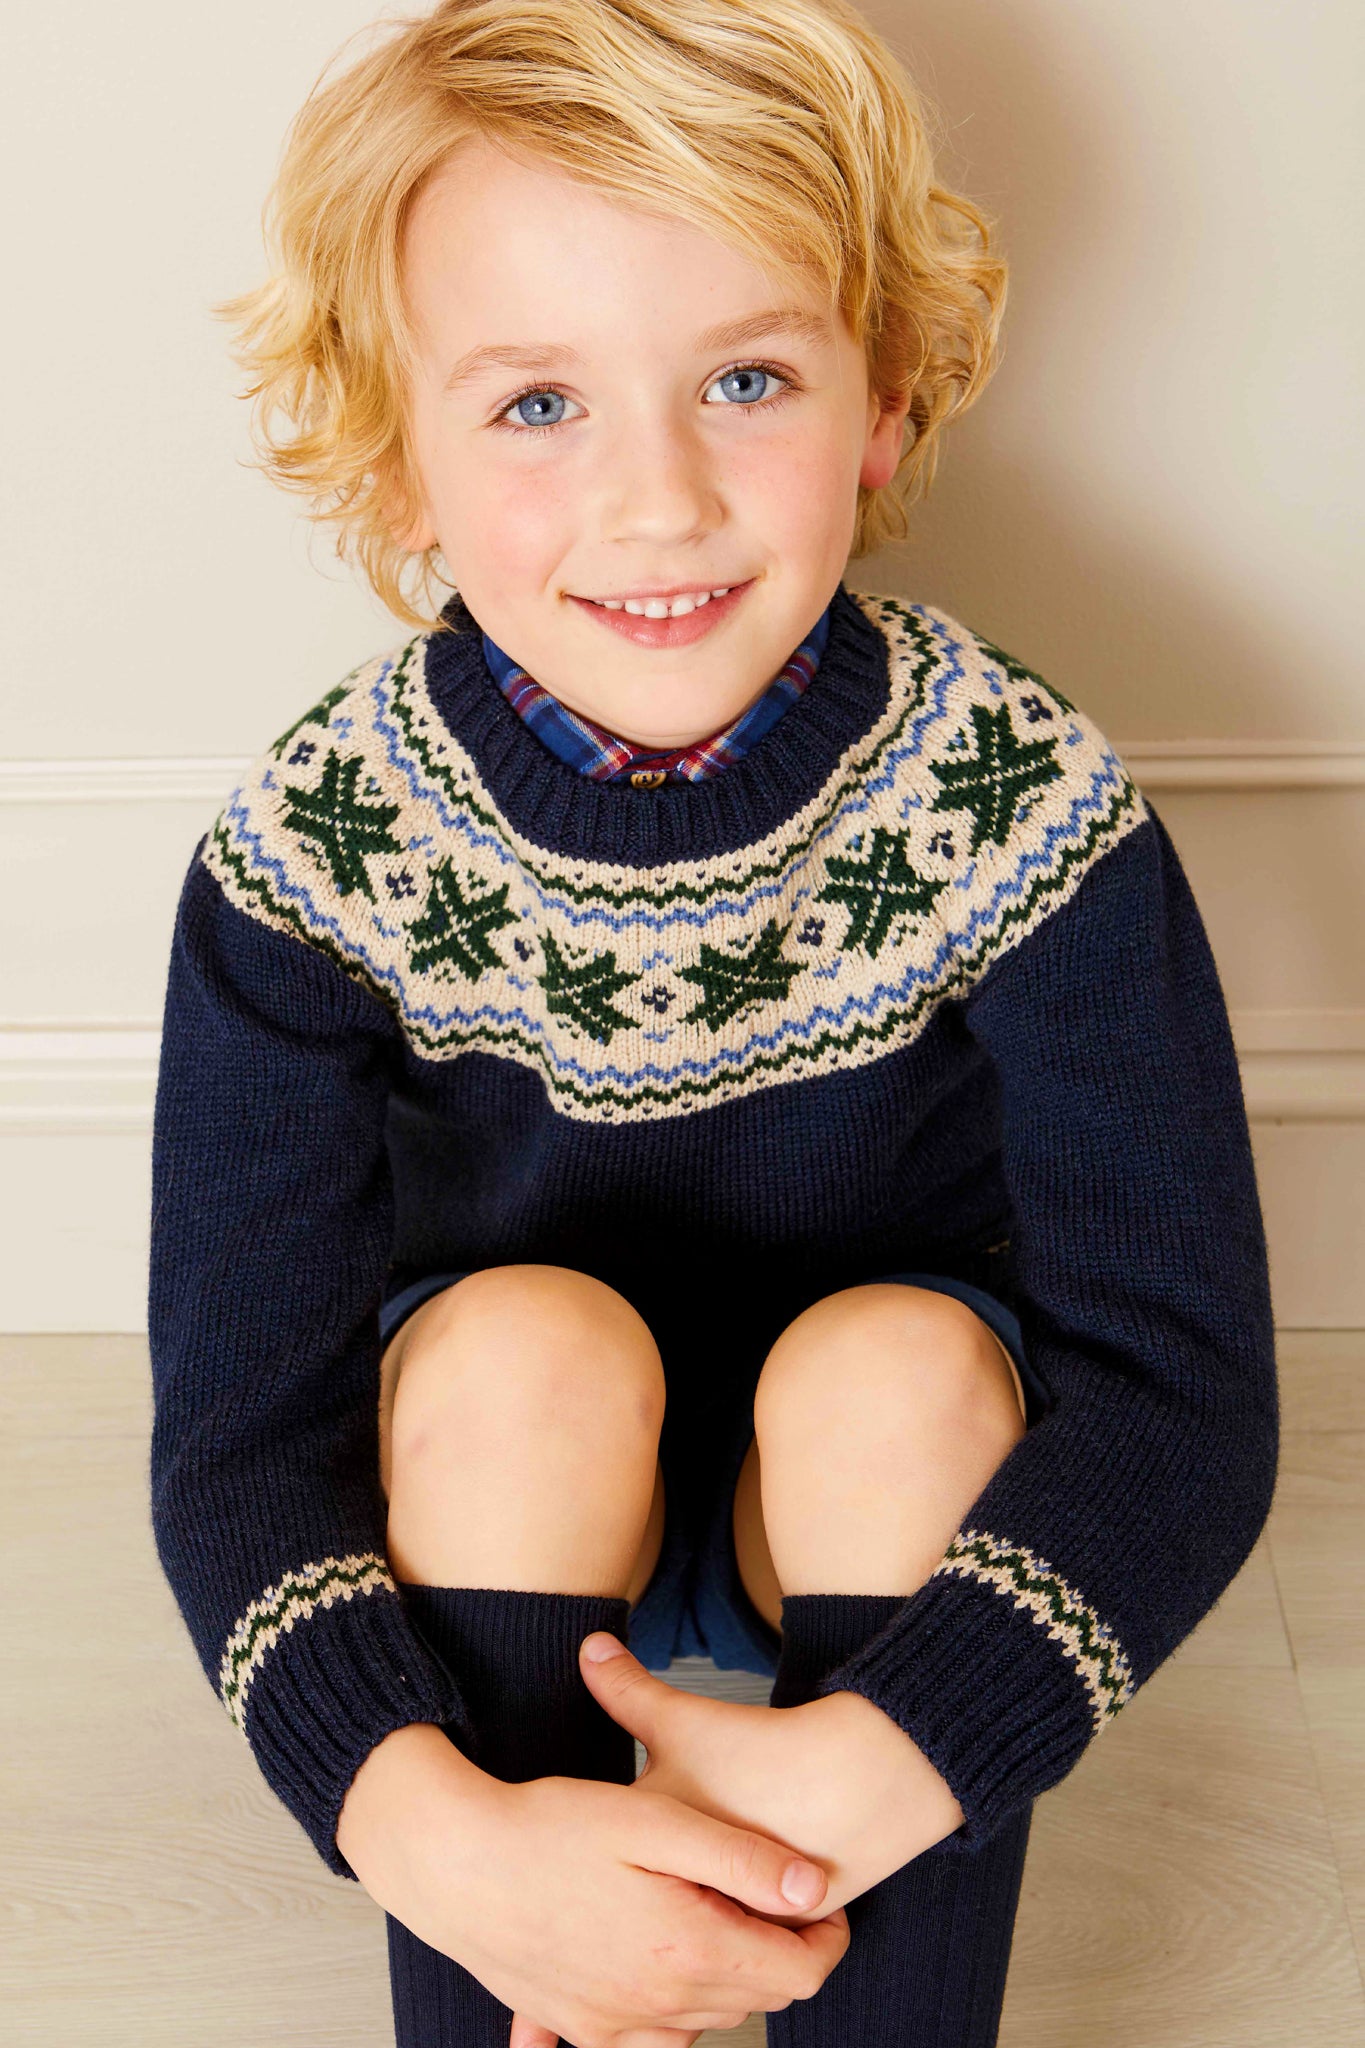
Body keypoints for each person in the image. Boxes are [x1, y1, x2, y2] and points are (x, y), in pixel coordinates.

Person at [146, 1, 1280, 2043]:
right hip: (510, 1485)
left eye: (742, 380)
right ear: (396, 463)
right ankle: (528, 1987)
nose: (656, 501)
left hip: (862, 1498)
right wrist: (427, 1831)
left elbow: (1178, 1390)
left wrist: (899, 1755)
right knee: (520, 1354)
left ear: (882, 401)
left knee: (893, 1375)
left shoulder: (1013, 800)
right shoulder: (317, 851)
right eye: (535, 405)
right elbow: (242, 1442)